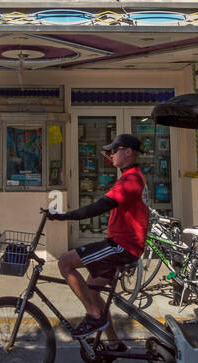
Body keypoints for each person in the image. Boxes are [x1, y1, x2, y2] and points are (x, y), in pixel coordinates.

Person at [47, 134, 148, 343]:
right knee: (92, 290)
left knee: (65, 262)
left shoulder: (131, 180)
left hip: (122, 246)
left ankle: (94, 316)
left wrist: (64, 216)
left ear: (128, 152)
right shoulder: (131, 177)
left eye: (114, 150)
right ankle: (114, 343)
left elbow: (99, 207)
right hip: (123, 244)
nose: (110, 155)